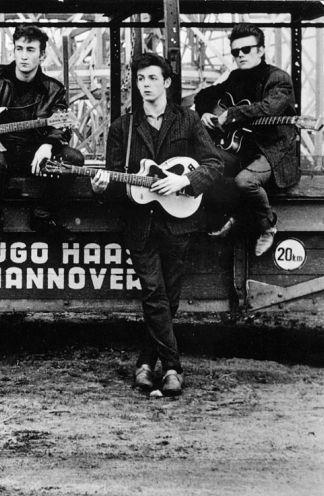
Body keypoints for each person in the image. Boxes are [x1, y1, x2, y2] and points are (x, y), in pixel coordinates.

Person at [91, 53, 222, 395]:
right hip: (141, 224)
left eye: (152, 78)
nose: (146, 84)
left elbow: (214, 164)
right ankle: (173, 368)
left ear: (166, 82)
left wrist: (185, 181)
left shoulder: (187, 120)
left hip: (180, 220)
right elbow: (115, 180)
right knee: (153, 292)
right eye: (140, 79)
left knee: (169, 297)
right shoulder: (123, 127)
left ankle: (146, 363)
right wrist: (102, 187)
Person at [0, 24, 84, 261]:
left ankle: (43, 215)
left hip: (33, 156)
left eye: (30, 50)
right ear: (14, 50)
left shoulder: (54, 89)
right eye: (19, 49)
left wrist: (48, 144)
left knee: (73, 158)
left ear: (42, 55)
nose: (24, 56)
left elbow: (62, 126)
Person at [194, 23, 299, 256]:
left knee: (245, 182)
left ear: (261, 50)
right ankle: (226, 216)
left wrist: (232, 114)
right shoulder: (236, 77)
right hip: (243, 147)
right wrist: (206, 112)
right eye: (235, 51)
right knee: (204, 163)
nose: (240, 55)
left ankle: (267, 226)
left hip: (273, 149)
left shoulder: (278, 78)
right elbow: (205, 95)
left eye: (246, 49)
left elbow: (269, 108)